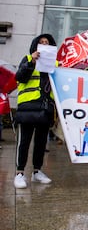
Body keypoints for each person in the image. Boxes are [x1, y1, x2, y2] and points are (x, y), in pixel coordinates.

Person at [14, 34, 57, 189]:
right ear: (35, 46)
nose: (44, 44)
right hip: (27, 107)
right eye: (41, 42)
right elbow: (19, 77)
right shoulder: (27, 58)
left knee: (41, 142)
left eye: (47, 43)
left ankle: (37, 171)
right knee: (24, 142)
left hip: (45, 108)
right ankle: (19, 173)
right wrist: (31, 62)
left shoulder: (55, 63)